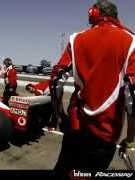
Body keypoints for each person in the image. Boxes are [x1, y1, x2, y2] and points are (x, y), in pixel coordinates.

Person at [50, 0, 135, 176]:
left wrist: (58, 115)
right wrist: (130, 139)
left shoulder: (75, 39)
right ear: (116, 16)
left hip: (75, 126)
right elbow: (132, 97)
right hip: (105, 136)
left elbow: (55, 81)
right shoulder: (131, 42)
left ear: (94, 14)